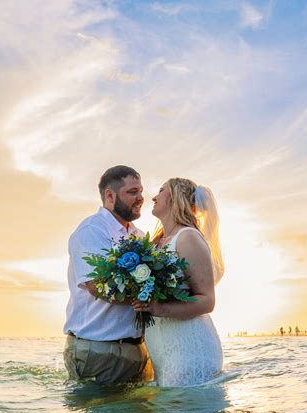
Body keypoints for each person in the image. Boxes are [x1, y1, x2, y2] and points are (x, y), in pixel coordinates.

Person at [132, 177, 224, 387]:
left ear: (175, 197)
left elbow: (207, 301)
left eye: (161, 190)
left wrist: (160, 308)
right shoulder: (156, 242)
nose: (154, 197)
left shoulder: (188, 237)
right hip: (163, 349)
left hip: (188, 347)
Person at [63, 165, 152, 383]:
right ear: (110, 196)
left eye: (141, 191)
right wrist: (149, 300)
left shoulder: (139, 235)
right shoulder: (92, 231)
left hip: (137, 350)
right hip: (99, 351)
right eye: (132, 192)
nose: (141, 197)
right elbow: (97, 286)